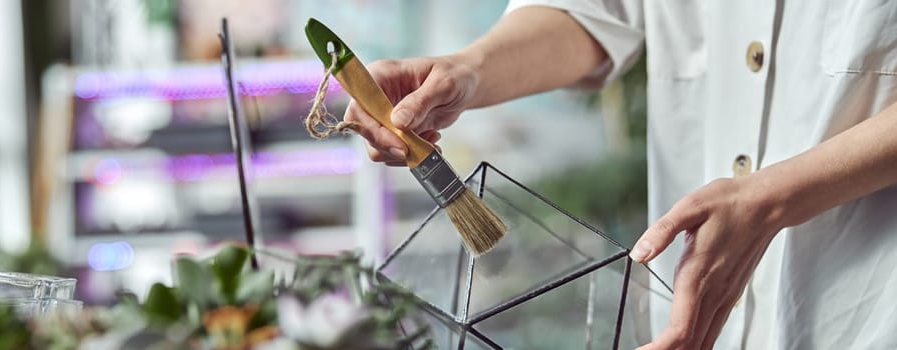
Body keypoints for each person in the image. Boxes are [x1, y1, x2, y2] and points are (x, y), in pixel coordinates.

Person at [343, 1, 897, 349]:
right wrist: (467, 71)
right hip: (686, 320)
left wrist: (776, 198)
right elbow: (596, 11)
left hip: (868, 310)